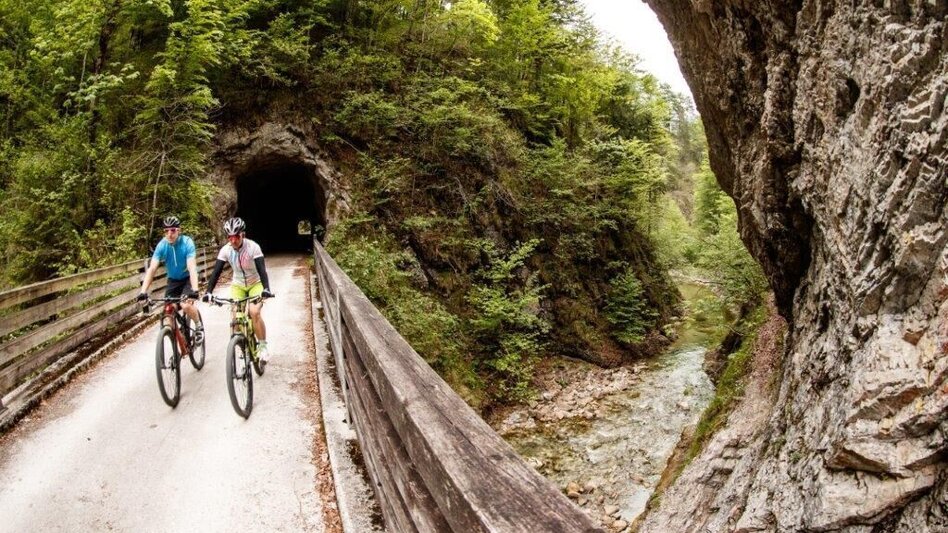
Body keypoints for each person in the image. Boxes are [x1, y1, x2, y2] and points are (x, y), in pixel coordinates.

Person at [203, 217, 275, 363]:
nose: (233, 240)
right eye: (230, 237)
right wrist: (208, 292)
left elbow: (262, 270)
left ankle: (262, 346)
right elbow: (216, 272)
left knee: (254, 312)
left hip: (255, 283)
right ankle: (241, 343)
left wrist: (266, 288)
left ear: (243, 234)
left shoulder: (253, 247)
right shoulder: (226, 250)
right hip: (238, 285)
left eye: (236, 236)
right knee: (236, 317)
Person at [138, 215, 203, 342]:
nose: (169, 234)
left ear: (179, 230)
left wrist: (195, 290)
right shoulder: (162, 245)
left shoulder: (187, 242)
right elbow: (152, 269)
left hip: (187, 279)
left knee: (185, 305)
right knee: (168, 314)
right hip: (173, 281)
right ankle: (177, 345)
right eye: (166, 231)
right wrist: (143, 292)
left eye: (173, 230)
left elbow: (191, 267)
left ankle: (198, 326)